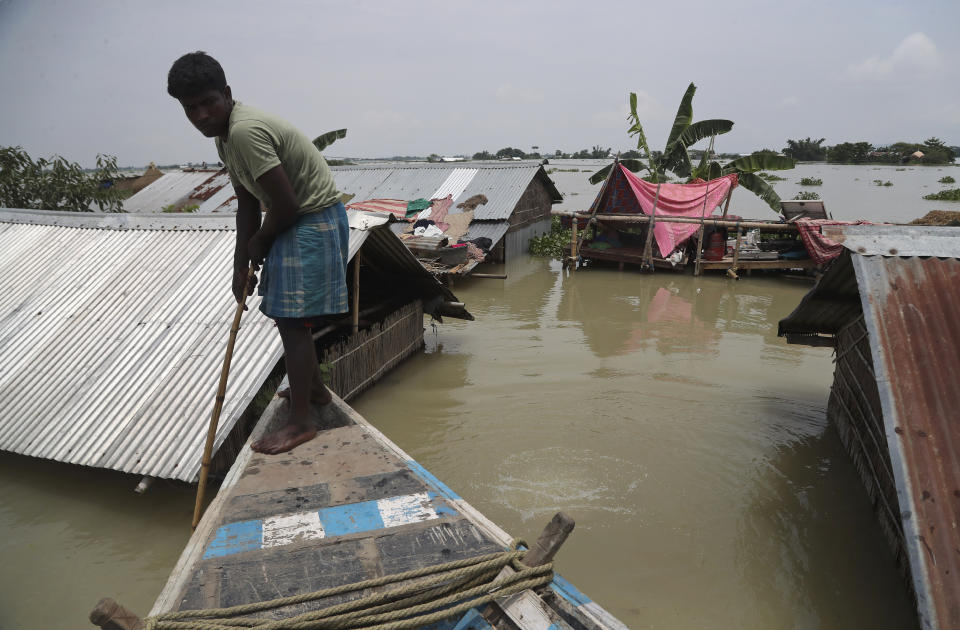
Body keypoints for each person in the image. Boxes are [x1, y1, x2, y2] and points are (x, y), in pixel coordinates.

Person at [167, 51, 348, 455]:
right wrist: (239, 262)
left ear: (227, 94)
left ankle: (302, 424)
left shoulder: (245, 131)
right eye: (190, 108)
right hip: (293, 218)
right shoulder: (225, 138)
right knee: (289, 314)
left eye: (208, 103)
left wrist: (259, 243)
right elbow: (248, 201)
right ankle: (315, 393)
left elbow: (285, 204)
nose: (201, 115)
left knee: (292, 320)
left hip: (310, 218)